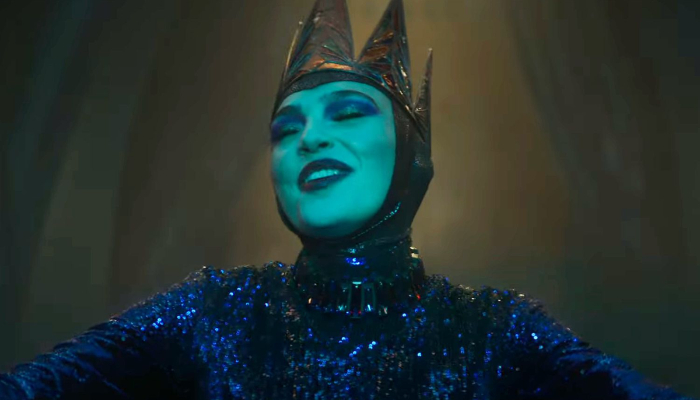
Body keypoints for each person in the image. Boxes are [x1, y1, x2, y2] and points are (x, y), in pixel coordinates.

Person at [0, 0, 694, 399]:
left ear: (411, 152)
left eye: (349, 112)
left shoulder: (493, 333)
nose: (309, 137)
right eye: (286, 128)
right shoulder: (215, 314)